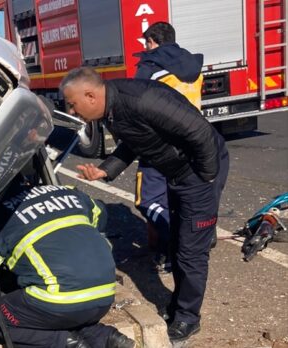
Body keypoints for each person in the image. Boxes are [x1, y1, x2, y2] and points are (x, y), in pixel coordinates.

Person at [60, 67, 229, 343]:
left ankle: (188, 318)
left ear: (90, 95)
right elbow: (132, 142)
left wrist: (206, 179)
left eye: (73, 104)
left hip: (199, 170)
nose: (73, 111)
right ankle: (179, 304)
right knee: (177, 240)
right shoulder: (112, 109)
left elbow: (200, 133)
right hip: (178, 173)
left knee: (190, 250)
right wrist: (105, 170)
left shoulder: (141, 99)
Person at [0, 177, 135, 348]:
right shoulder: (64, 191)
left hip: (59, 301)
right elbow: (101, 213)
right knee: (58, 312)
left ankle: (65, 343)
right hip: (105, 293)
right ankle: (106, 337)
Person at [133, 21, 205, 273]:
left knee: (148, 200)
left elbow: (136, 104)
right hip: (193, 141)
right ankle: (184, 246)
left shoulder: (151, 66)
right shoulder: (192, 63)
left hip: (159, 144)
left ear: (152, 41)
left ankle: (175, 245)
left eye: (147, 43)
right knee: (180, 200)